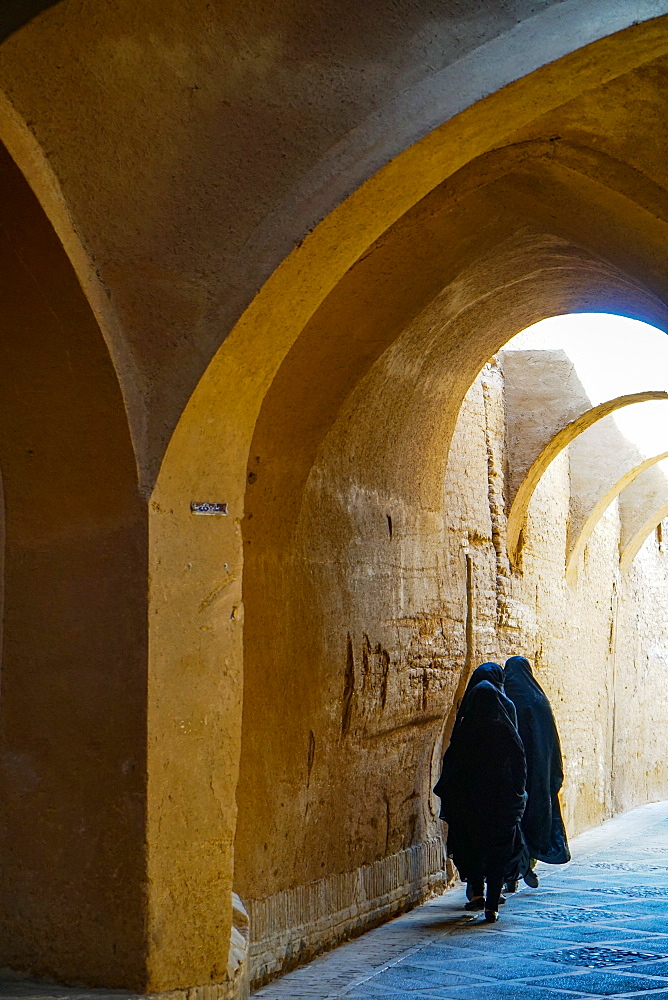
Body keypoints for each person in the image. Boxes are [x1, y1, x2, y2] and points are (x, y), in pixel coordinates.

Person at [433, 680, 529, 922]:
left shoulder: (466, 730)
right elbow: (520, 762)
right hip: (500, 804)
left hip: (470, 805)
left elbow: (452, 766)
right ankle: (492, 905)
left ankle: (477, 894)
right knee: (498, 852)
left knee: (473, 848)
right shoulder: (504, 729)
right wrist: (517, 791)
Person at [503, 655, 571, 892]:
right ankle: (527, 866)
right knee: (534, 818)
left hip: (513, 775)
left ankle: (512, 873)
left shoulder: (506, 700)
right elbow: (551, 742)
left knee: (512, 822)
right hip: (539, 774)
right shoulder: (540, 701)